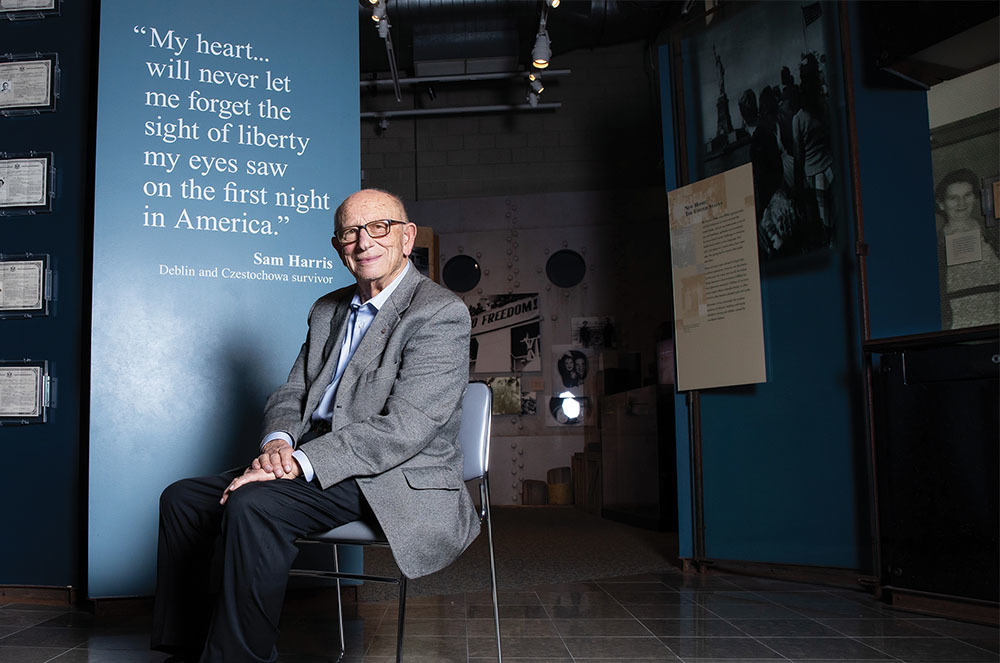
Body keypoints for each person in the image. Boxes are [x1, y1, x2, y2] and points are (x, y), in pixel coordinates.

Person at [152, 189, 480, 663]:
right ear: (337, 246)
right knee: (182, 499)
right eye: (349, 232)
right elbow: (293, 393)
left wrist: (296, 465)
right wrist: (278, 445)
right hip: (314, 457)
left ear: (407, 238)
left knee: (255, 503)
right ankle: (187, 649)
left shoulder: (439, 313)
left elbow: (407, 427)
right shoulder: (328, 309)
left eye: (378, 228)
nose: (363, 241)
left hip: (389, 472)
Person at [934, 169, 1000, 329]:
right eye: (953, 198)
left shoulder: (994, 236)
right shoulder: (935, 246)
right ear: (941, 203)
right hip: (959, 326)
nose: (961, 203)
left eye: (967, 195)